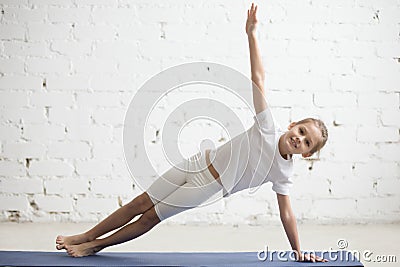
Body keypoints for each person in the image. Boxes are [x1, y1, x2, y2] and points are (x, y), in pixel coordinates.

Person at [56, 3, 328, 262]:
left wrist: (298, 251)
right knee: (140, 202)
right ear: (292, 124)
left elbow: (286, 213)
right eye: (302, 131)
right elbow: (259, 78)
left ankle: (95, 246)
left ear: (305, 154)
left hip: (207, 186)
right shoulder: (267, 126)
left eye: (307, 143)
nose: (299, 139)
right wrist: (252, 34)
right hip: (197, 162)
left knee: (149, 217)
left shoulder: (284, 172)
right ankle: (86, 235)